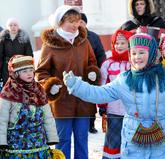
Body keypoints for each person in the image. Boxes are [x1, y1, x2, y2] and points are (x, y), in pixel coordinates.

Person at [63, 32, 165, 159]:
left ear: (151, 54)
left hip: (163, 144)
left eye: (142, 52)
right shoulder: (124, 80)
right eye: (134, 53)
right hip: (133, 142)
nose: (137, 57)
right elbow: (99, 94)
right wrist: (76, 85)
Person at [35, 5, 101, 159]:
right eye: (71, 21)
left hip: (83, 99)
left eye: (77, 21)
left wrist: (92, 72)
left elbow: (92, 61)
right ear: (60, 21)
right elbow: (41, 72)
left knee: (82, 139)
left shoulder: (83, 41)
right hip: (61, 102)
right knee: (63, 140)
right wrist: (49, 85)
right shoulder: (50, 44)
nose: (75, 25)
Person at [0, 55, 59, 158]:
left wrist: (52, 137)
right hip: (16, 144)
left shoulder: (39, 90)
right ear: (16, 74)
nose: (29, 73)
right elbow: (2, 119)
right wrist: (1, 141)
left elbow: (48, 117)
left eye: (31, 70)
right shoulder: (8, 93)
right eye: (24, 71)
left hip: (39, 142)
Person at [99, 29, 132, 159]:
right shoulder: (108, 64)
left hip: (131, 111)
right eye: (116, 43)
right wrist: (102, 104)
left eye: (122, 43)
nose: (119, 46)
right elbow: (103, 86)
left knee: (130, 140)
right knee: (114, 140)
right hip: (113, 110)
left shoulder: (133, 63)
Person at [80, 12, 106, 134]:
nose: (79, 24)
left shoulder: (93, 37)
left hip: (91, 74)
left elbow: (100, 54)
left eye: (82, 22)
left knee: (90, 101)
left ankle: (91, 124)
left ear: (85, 23)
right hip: (78, 73)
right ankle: (81, 124)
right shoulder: (74, 37)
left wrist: (100, 70)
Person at [0, 18, 33, 86]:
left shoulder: (24, 37)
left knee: (21, 86)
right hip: (6, 68)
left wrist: (29, 68)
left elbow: (29, 54)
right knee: (8, 87)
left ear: (18, 26)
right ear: (7, 27)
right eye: (10, 25)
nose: (13, 27)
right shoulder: (3, 38)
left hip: (21, 66)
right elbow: (0, 55)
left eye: (15, 25)